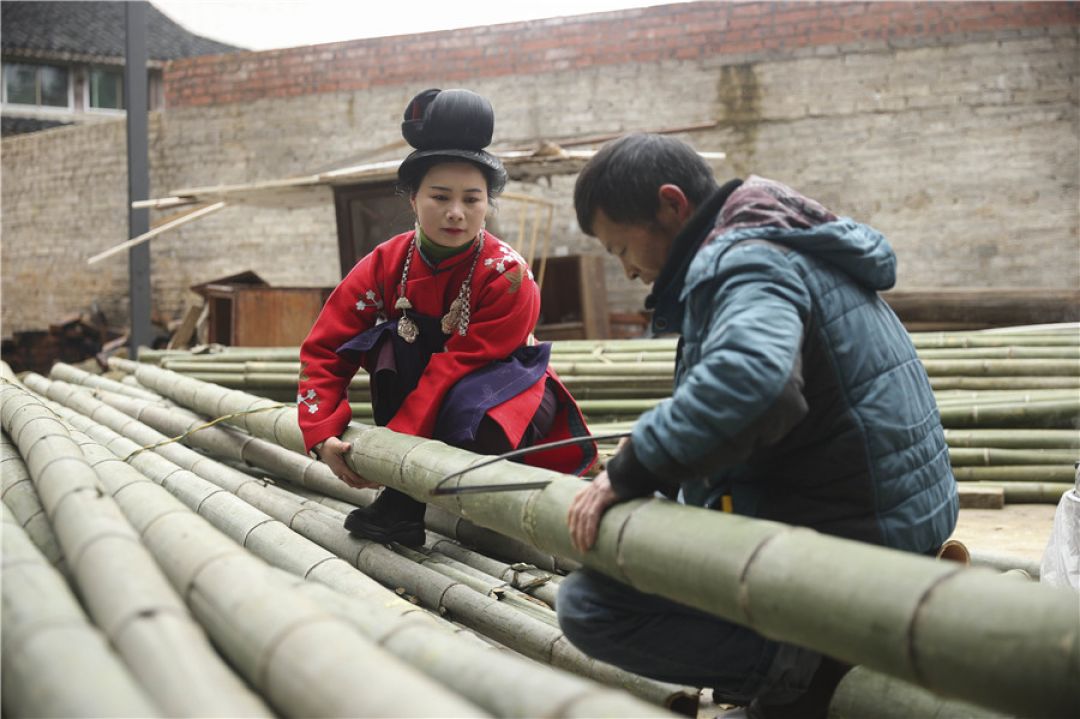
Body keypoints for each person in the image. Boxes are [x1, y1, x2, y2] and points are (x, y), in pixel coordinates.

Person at [557, 133, 959, 718]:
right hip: (891, 525)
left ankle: (807, 671)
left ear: (672, 205)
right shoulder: (778, 237)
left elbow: (754, 383)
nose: (628, 271)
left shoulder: (745, 257)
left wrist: (635, 466)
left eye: (622, 247)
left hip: (858, 547)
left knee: (592, 606)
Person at [298, 88, 595, 548]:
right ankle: (405, 509)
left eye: (472, 200)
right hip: (425, 398)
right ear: (412, 199)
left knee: (470, 406)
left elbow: (455, 368)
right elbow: (325, 348)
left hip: (502, 400)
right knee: (388, 344)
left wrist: (392, 450)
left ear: (487, 205)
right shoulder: (384, 265)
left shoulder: (509, 276)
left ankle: (448, 507)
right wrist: (321, 435)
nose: (456, 212)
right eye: (440, 196)